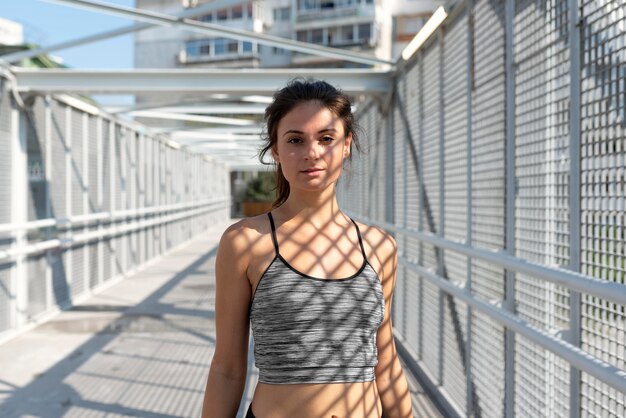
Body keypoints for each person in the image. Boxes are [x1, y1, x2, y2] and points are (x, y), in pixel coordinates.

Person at [201, 79, 413, 418]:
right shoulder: (245, 242)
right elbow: (227, 368)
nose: (311, 152)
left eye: (326, 139)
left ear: (346, 145)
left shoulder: (379, 247)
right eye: (295, 140)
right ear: (275, 150)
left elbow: (385, 364)